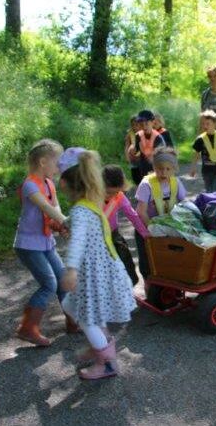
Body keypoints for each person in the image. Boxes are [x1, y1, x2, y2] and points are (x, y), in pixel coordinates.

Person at [58, 148, 136, 380]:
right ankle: (99, 344)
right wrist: (65, 222)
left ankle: (108, 362)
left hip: (91, 273)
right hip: (99, 271)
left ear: (64, 183)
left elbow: (79, 240)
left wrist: (71, 269)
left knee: (85, 316)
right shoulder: (88, 205)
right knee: (74, 308)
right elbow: (80, 224)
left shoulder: (82, 210)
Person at [13, 139, 73, 347]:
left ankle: (73, 320)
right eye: (57, 162)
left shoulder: (49, 184)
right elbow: (46, 208)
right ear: (42, 162)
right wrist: (66, 222)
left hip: (46, 242)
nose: (60, 167)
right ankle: (27, 328)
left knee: (63, 278)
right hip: (28, 245)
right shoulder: (30, 185)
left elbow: (56, 211)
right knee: (49, 284)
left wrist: (63, 225)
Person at [135, 147, 187, 279]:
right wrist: (151, 231)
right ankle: (149, 285)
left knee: (168, 259)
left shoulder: (176, 182)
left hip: (166, 227)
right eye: (159, 168)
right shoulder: (146, 184)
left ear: (174, 169)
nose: (163, 173)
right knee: (148, 263)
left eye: (168, 169)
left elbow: (183, 204)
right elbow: (141, 212)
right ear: (154, 167)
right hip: (146, 228)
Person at [103, 165, 149, 286]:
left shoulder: (119, 197)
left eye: (116, 192)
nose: (112, 196)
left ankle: (127, 292)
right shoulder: (92, 197)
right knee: (107, 272)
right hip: (98, 240)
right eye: (108, 193)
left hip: (114, 236)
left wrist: (145, 234)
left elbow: (133, 216)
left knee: (127, 267)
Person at [190, 110, 216, 192]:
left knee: (215, 189)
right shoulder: (200, 139)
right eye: (203, 124)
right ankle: (211, 204)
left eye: (208, 124)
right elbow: (196, 154)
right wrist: (193, 167)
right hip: (206, 171)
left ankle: (214, 204)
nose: (205, 126)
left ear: (215, 124)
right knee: (209, 190)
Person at [133, 110, 166, 181]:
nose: (144, 127)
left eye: (146, 124)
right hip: (143, 169)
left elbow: (161, 156)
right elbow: (137, 151)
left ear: (152, 122)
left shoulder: (158, 138)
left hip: (157, 170)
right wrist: (134, 152)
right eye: (141, 124)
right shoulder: (138, 136)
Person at [124, 114, 143, 186]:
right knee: (135, 176)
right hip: (133, 158)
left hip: (142, 158)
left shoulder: (144, 132)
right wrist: (127, 156)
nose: (135, 127)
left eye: (137, 125)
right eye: (133, 125)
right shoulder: (130, 133)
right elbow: (127, 145)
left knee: (144, 175)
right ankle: (139, 188)